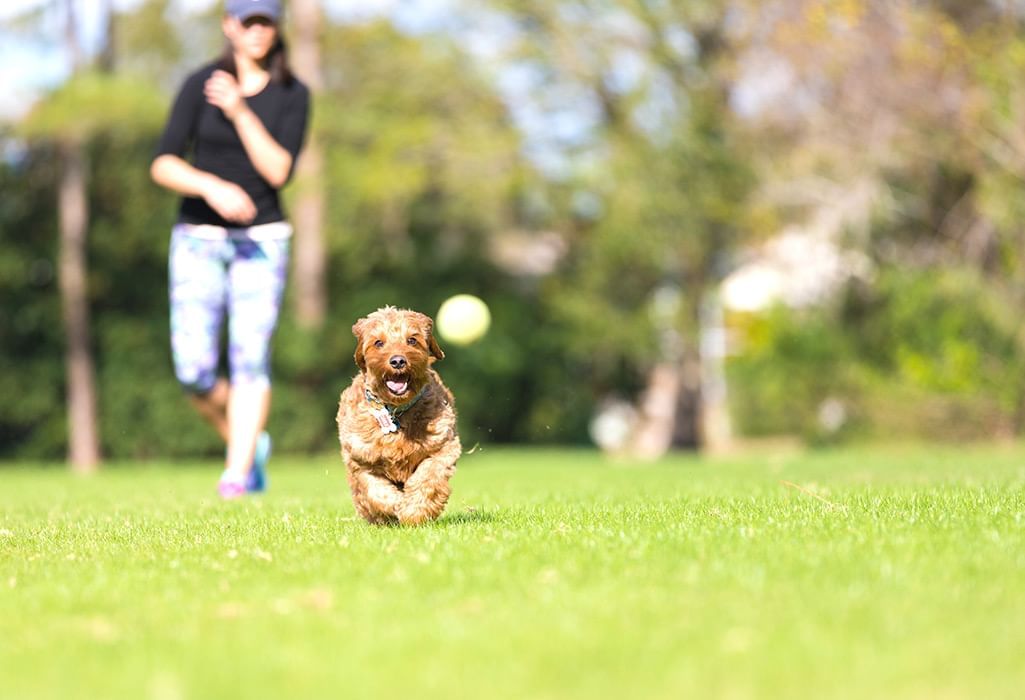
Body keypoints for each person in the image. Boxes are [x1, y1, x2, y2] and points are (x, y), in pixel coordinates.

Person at [150, 0, 309, 499]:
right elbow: (163, 163)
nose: (258, 30)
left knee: (250, 360)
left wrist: (240, 111)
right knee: (194, 370)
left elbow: (279, 171)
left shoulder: (292, 93)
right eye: (248, 21)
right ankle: (247, 444)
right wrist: (209, 186)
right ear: (229, 26)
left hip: (262, 242)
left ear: (276, 26)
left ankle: (237, 475)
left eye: (266, 20)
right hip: (198, 239)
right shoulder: (200, 83)